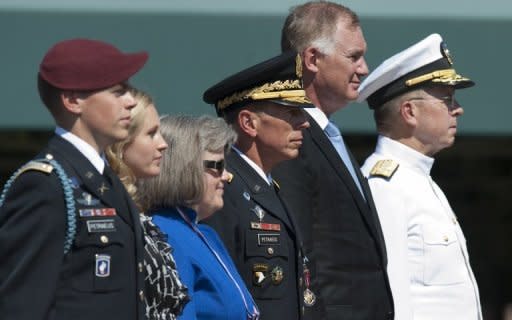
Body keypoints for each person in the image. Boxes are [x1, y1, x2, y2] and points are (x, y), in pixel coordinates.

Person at [0, 38, 148, 319]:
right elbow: (22, 304)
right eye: (118, 91)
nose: (131, 102)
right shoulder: (45, 185)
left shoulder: (105, 177)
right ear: (72, 101)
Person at [272, 2, 394, 319]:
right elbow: (301, 255)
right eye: (353, 56)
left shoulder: (327, 134)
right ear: (313, 59)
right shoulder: (293, 139)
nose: (364, 68)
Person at [359, 33, 482, 320]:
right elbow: (392, 297)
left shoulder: (419, 179)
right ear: (410, 112)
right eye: (447, 100)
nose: (458, 110)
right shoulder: (384, 186)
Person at [202, 50, 313, 319]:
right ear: (249, 123)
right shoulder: (222, 190)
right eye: (291, 112)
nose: (305, 122)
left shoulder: (267, 185)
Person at [137, 115, 260, 320]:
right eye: (218, 166)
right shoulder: (162, 236)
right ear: (185, 167)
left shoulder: (206, 233)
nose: (226, 176)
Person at [106, 88, 190, 319]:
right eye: (151, 133)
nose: (163, 144)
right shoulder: (108, 213)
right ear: (121, 144)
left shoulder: (133, 213)